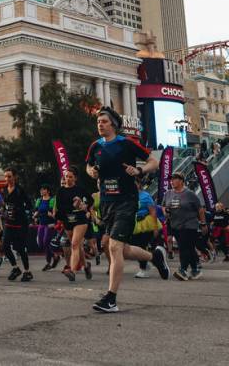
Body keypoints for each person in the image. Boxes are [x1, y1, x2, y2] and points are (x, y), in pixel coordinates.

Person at [86, 107, 169, 313]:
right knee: (121, 249)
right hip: (107, 202)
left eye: (104, 121)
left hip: (127, 200)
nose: (100, 124)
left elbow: (154, 162)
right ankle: (154, 257)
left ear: (113, 124)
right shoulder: (95, 146)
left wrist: (139, 170)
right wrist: (92, 172)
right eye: (98, 122)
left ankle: (111, 298)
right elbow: (88, 167)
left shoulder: (126, 143)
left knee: (114, 248)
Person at [163, 172, 205, 280]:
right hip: (175, 224)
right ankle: (195, 269)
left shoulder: (189, 194)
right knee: (189, 248)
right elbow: (163, 206)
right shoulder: (168, 194)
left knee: (183, 247)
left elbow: (200, 209)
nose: (171, 181)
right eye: (171, 180)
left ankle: (183, 270)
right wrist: (165, 212)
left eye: (174, 179)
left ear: (181, 181)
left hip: (189, 224)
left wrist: (203, 224)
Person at [55, 167, 92, 282]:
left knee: (75, 245)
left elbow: (90, 201)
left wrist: (83, 205)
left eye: (71, 177)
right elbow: (60, 208)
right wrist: (72, 207)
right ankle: (86, 266)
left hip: (80, 220)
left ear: (75, 178)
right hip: (68, 221)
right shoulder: (60, 191)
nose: (68, 179)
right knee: (78, 246)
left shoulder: (80, 190)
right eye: (66, 176)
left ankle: (72, 271)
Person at [1, 168, 33, 282]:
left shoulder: (20, 190)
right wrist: (4, 211)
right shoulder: (4, 189)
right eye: (5, 176)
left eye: (9, 176)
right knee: (5, 246)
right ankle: (15, 268)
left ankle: (27, 271)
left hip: (20, 223)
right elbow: (4, 204)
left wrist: (19, 209)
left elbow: (29, 205)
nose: (7, 179)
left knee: (20, 248)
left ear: (15, 177)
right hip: (9, 222)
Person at [131, 177, 161, 279]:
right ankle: (147, 262)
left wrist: (155, 227)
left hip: (146, 223)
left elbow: (153, 211)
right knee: (134, 246)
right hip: (134, 223)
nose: (133, 186)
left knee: (141, 246)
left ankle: (143, 268)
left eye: (135, 183)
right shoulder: (129, 195)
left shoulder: (146, 196)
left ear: (139, 184)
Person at [34, 185, 58, 271]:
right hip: (41, 223)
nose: (41, 191)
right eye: (41, 189)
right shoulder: (39, 200)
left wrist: (52, 215)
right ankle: (55, 256)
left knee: (45, 242)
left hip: (50, 224)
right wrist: (35, 215)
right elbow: (36, 210)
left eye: (43, 189)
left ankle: (48, 263)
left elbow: (55, 214)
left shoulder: (52, 200)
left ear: (48, 191)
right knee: (40, 243)